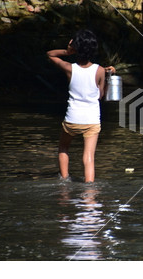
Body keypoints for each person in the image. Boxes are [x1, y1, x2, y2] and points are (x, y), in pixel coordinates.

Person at [47, 29, 115, 183]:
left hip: (72, 118)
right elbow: (101, 95)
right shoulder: (99, 70)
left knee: (63, 148)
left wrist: (67, 51)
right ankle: (89, 188)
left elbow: (50, 54)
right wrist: (108, 75)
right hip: (91, 120)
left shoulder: (69, 68)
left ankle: (64, 181)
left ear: (76, 48)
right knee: (89, 156)